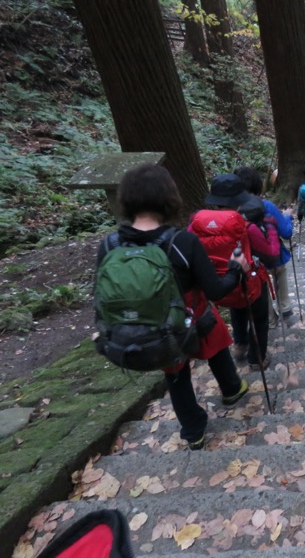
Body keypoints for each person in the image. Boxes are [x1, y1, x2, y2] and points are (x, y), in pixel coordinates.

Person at [95, 164, 249, 451]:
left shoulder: (110, 244)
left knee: (176, 376)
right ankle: (231, 389)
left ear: (125, 200)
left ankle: (193, 431)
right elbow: (216, 290)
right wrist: (235, 270)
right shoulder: (182, 241)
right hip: (193, 317)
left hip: (156, 328)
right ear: (169, 198)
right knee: (211, 332)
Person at [194, 174, 271, 370]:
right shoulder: (246, 227)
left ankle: (240, 344)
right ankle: (257, 359)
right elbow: (269, 253)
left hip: (221, 285)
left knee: (237, 309)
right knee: (260, 319)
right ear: (239, 201)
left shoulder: (198, 227)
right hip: (249, 282)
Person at [234, 166, 294, 329]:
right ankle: (285, 307)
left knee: (260, 282)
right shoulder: (266, 205)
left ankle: (269, 318)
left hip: (250, 259)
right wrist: (288, 217)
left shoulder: (235, 211)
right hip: (274, 256)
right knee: (279, 272)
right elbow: (286, 232)